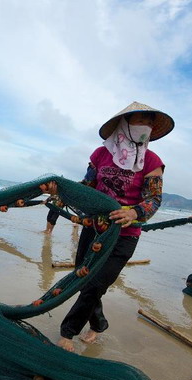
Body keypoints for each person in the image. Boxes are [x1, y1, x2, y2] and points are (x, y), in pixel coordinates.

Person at [53, 102, 174, 352]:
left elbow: (154, 199)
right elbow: (86, 185)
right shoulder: (100, 154)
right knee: (83, 276)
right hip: (94, 227)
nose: (147, 127)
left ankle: (68, 332)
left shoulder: (152, 161)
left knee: (97, 283)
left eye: (151, 124)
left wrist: (134, 212)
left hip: (125, 234)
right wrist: (61, 190)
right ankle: (98, 322)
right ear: (125, 123)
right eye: (143, 121)